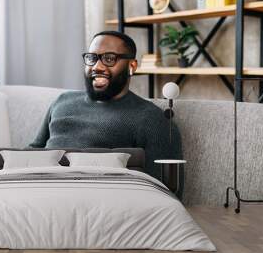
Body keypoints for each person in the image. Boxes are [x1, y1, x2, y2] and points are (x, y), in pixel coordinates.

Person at [29, 30, 183, 197]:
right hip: (37, 192)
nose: (97, 66)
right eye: (92, 58)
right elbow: (34, 151)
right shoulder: (62, 101)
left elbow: (165, 193)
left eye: (109, 59)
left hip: (95, 204)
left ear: (132, 66)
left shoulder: (152, 120)